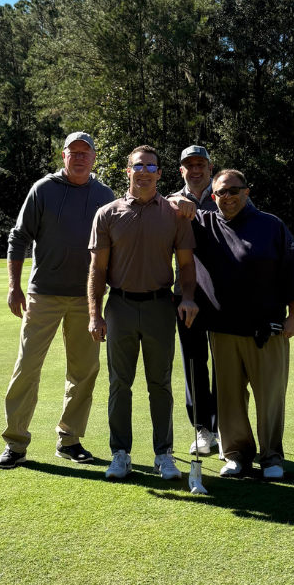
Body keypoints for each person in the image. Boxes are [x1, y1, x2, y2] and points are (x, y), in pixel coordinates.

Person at [177, 169, 294, 480]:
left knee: (270, 398)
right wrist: (177, 200)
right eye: (221, 192)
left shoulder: (271, 225)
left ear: (247, 192)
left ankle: (272, 457)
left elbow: (292, 271)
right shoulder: (204, 223)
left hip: (268, 330)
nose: (228, 197)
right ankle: (236, 456)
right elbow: (167, 204)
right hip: (223, 330)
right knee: (229, 399)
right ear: (213, 196)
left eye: (234, 190)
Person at [0, 132, 115, 469]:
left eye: (85, 153)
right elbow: (18, 238)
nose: (79, 158)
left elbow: (113, 246)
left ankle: (70, 439)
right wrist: (13, 287)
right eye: (72, 152)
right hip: (43, 294)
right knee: (27, 367)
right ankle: (16, 444)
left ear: (93, 158)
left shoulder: (104, 195)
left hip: (86, 299)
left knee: (85, 370)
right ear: (63, 156)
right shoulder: (43, 190)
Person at [87, 145, 199, 481]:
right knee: (119, 383)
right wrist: (95, 313)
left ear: (160, 174)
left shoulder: (175, 213)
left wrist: (188, 296)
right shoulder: (107, 213)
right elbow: (97, 268)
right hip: (119, 305)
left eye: (151, 167)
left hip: (160, 306)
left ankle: (163, 455)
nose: (145, 172)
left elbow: (186, 264)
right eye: (139, 166)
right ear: (128, 171)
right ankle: (120, 453)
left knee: (160, 384)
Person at [169, 145, 220, 457]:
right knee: (193, 363)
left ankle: (225, 427)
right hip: (186, 294)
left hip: (225, 296)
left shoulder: (229, 192)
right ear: (181, 171)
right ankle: (203, 429)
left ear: (210, 168)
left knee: (227, 365)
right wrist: (175, 202)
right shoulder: (171, 202)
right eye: (190, 165)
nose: (196, 170)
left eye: (201, 164)